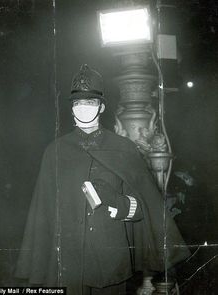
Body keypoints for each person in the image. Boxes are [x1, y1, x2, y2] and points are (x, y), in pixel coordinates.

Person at [15, 64, 190, 294]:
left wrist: (119, 203)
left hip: (111, 262)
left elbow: (145, 208)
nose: (84, 109)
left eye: (90, 103)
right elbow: (43, 213)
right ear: (71, 108)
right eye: (78, 103)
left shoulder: (124, 148)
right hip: (68, 263)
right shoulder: (54, 151)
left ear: (102, 107)